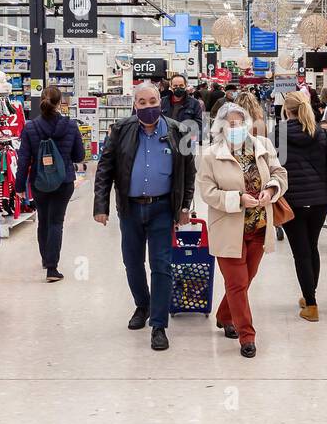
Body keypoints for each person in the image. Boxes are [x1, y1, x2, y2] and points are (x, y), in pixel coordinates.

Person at [93, 82, 196, 351]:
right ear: (134, 105)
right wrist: (100, 205)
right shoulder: (120, 130)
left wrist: (185, 206)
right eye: (143, 102)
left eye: (153, 101)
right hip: (130, 208)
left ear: (160, 102)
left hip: (163, 208)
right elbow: (105, 168)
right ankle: (143, 304)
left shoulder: (179, 131)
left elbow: (189, 172)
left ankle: (159, 325)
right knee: (132, 263)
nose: (149, 106)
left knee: (161, 265)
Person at [197, 102, 288, 358]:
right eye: (230, 124)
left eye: (240, 122)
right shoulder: (209, 155)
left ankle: (225, 315)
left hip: (259, 226)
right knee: (236, 284)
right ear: (221, 127)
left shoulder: (263, 147)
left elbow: (279, 173)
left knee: (245, 280)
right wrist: (237, 199)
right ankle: (247, 335)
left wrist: (271, 189)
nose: (236, 128)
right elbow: (208, 193)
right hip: (228, 229)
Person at [280, 89, 327, 322]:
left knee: (300, 253)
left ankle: (312, 303)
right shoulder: (322, 134)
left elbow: (276, 166)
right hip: (318, 201)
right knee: (312, 247)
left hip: (292, 201)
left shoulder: (281, 133)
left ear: (287, 110)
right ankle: (309, 296)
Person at [15, 84, 85, 281]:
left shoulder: (30, 127)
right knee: (56, 222)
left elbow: (23, 159)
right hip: (64, 181)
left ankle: (47, 259)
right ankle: (52, 269)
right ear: (60, 102)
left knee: (43, 221)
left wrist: (19, 187)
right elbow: (79, 155)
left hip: (39, 182)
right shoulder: (70, 126)